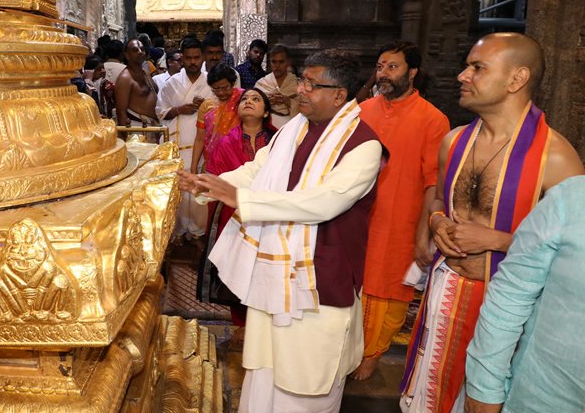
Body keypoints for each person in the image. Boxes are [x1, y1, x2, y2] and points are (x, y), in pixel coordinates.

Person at [180, 49, 383, 412]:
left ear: (340, 94)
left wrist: (243, 200)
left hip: (320, 281)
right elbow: (258, 169)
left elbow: (322, 202)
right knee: (266, 375)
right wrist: (210, 184)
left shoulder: (364, 146)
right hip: (275, 274)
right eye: (302, 79)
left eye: (311, 83)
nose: (300, 89)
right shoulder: (295, 128)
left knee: (307, 385)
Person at [400, 32, 585, 413]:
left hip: (501, 309)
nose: (462, 76)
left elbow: (573, 253)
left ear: (516, 79)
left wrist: (500, 240)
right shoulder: (454, 141)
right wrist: (436, 224)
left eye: (477, 68)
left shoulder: (556, 158)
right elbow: (438, 199)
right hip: (443, 289)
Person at [352, 41, 450, 381]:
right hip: (357, 218)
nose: (383, 73)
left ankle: (372, 354)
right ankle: (348, 350)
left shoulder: (433, 119)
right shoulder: (362, 111)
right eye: (380, 66)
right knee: (355, 286)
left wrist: (425, 232)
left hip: (401, 221)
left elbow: (434, 184)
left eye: (392, 67)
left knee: (391, 291)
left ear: (412, 72)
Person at [465, 175, 585, 413]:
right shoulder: (572, 198)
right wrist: (483, 388)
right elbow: (512, 292)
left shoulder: (556, 156)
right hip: (542, 397)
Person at [197, 88, 278, 328]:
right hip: (231, 214)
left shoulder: (277, 140)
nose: (249, 102)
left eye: (256, 99)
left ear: (266, 112)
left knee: (264, 270)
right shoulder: (226, 141)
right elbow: (218, 178)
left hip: (267, 213)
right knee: (236, 271)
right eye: (244, 99)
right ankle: (240, 325)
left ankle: (263, 324)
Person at [157, 38, 214, 242]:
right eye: (188, 58)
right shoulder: (171, 83)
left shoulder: (210, 82)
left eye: (196, 57)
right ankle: (178, 230)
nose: (192, 62)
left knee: (200, 186)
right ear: (182, 59)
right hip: (178, 145)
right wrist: (180, 109)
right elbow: (160, 112)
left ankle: (198, 232)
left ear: (203, 58)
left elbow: (220, 112)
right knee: (180, 186)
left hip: (203, 145)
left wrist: (205, 108)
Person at [190, 64, 242, 175]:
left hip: (239, 163)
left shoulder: (243, 101)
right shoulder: (206, 106)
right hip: (212, 162)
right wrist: (193, 169)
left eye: (225, 88)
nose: (221, 93)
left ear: (233, 84)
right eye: (216, 89)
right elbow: (200, 138)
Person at [114, 38, 159, 130]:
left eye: (142, 49)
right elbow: (121, 112)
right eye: (135, 50)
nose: (140, 52)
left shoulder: (145, 72)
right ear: (127, 55)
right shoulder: (125, 78)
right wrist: (128, 137)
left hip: (153, 126)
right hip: (137, 127)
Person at [254, 44, 299, 128]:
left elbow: (305, 109)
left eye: (281, 62)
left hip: (291, 126)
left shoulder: (298, 84)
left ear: (288, 62)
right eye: (274, 62)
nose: (277, 66)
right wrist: (266, 103)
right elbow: (253, 108)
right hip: (265, 126)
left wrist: (287, 101)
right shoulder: (261, 84)